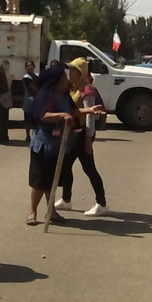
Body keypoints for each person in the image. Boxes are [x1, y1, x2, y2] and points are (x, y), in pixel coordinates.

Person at [27, 66, 104, 225]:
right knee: (39, 181)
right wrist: (62, 115)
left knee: (52, 180)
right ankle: (32, 212)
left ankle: (52, 212)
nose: (67, 80)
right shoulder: (46, 96)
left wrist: (89, 110)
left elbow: (74, 112)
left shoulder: (64, 96)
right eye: (64, 77)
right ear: (55, 81)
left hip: (58, 145)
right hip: (42, 145)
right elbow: (43, 115)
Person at [55, 57, 109, 216]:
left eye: (73, 70)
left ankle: (102, 203)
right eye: (69, 70)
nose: (70, 73)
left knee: (89, 169)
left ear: (81, 73)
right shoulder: (73, 88)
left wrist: (88, 140)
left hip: (83, 134)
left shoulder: (87, 90)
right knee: (65, 166)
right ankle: (66, 200)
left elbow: (90, 116)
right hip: (73, 134)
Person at [22, 59, 38, 143]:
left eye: (31, 65)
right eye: (28, 66)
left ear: (34, 66)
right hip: (29, 101)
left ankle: (34, 135)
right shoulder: (26, 78)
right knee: (28, 120)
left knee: (35, 120)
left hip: (36, 101)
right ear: (25, 68)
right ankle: (27, 136)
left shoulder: (35, 76)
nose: (30, 67)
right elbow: (34, 88)